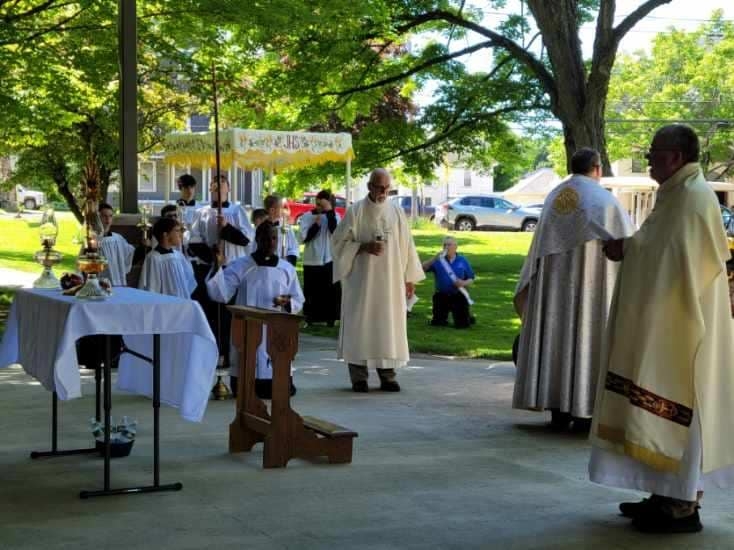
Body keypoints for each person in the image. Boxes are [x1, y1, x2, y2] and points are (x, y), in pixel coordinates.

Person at [589, 125, 734, 534]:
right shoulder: (677, 193)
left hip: (684, 329)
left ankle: (682, 506)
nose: (649, 158)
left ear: (673, 156)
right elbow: (663, 250)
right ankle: (663, 493)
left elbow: (676, 259)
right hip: (665, 319)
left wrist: (627, 248)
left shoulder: (692, 198)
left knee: (681, 408)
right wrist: (631, 248)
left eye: (653, 152)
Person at [512, 148, 634, 431]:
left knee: (555, 337)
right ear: (597, 168)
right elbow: (628, 245)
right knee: (587, 338)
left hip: (552, 291)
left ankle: (557, 409)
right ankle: (583, 412)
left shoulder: (554, 197)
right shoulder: (605, 201)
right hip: (593, 291)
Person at [331, 168, 425, 393]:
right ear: (369, 186)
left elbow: (407, 246)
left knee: (388, 327)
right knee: (360, 325)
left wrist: (409, 278)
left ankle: (388, 375)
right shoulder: (355, 212)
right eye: (379, 187)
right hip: (362, 282)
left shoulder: (397, 212)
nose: (383, 192)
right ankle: (359, 377)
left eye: (387, 188)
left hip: (390, 283)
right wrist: (363, 247)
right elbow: (337, 243)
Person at [207, 220, 304, 399]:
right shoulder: (241, 266)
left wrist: (286, 302)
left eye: (274, 238)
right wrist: (217, 266)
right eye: (266, 238)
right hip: (248, 327)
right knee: (248, 367)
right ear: (257, 240)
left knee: (275, 373)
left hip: (275, 327)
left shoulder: (286, 269)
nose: (270, 242)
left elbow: (298, 299)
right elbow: (221, 293)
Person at [188, 175, 254, 371]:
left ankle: (228, 352)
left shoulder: (237, 211)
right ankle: (211, 352)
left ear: (228, 188)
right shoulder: (202, 212)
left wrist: (226, 228)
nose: (217, 188)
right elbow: (193, 241)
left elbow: (246, 239)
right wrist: (213, 256)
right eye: (214, 185)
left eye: (222, 185)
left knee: (228, 314)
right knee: (210, 313)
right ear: (210, 189)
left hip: (232, 268)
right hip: (210, 267)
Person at [300, 189, 341, 326]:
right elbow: (304, 237)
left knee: (329, 290)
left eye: (323, 205)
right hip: (312, 258)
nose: (319, 208)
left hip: (330, 258)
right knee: (312, 290)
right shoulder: (307, 216)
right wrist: (316, 225)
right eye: (318, 204)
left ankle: (330, 318)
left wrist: (329, 213)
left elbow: (336, 234)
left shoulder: (335, 216)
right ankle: (311, 317)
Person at [421, 236, 475, 328]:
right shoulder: (438, 260)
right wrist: (434, 258)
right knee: (438, 324)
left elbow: (471, 278)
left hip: (458, 295)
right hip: (441, 296)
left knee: (462, 325)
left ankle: (467, 317)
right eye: (444, 245)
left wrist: (463, 283)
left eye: (449, 245)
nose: (446, 247)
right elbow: (422, 268)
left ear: (455, 247)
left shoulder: (462, 260)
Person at [139, 217, 196, 299]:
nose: (181, 234)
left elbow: (188, 281)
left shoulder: (178, 256)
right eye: (177, 231)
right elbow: (152, 288)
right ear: (165, 234)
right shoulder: (153, 258)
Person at [98, 202, 135, 286]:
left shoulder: (118, 238)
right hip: (101, 285)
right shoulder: (93, 241)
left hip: (119, 282)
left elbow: (130, 254)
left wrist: (143, 246)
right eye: (104, 216)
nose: (108, 220)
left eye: (110, 216)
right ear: (98, 218)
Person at [264, 194, 299, 266]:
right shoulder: (261, 228)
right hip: (265, 266)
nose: (283, 210)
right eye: (281, 207)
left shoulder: (286, 226)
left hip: (282, 265)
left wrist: (289, 260)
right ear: (272, 210)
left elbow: (293, 247)